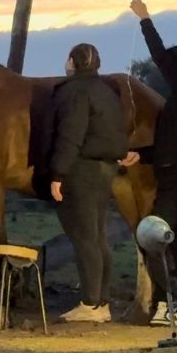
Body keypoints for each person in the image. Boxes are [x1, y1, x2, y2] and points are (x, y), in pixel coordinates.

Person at [126, 0, 177, 326]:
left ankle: (163, 302)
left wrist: (145, 19)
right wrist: (141, 155)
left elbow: (159, 55)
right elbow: (172, 147)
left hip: (175, 182)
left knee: (151, 236)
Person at [48, 43, 128, 323]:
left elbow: (70, 135)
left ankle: (90, 303)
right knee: (98, 237)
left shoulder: (73, 92)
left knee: (84, 238)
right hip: (106, 170)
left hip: (81, 171)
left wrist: (57, 174)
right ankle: (102, 302)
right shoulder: (108, 92)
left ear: (72, 62)